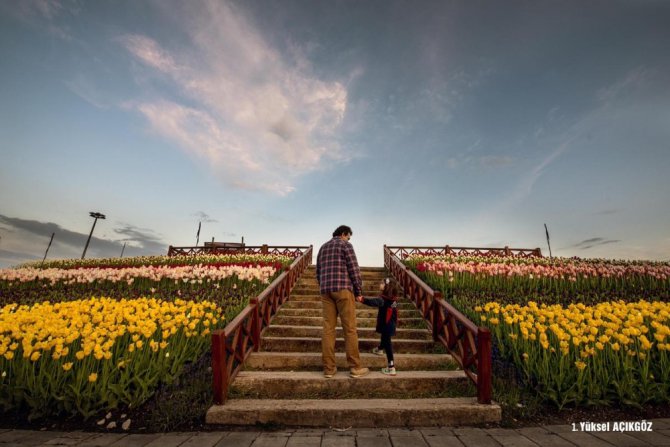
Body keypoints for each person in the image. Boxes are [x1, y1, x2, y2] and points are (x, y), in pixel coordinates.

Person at [316, 225, 369, 378]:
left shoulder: (322, 248)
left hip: (326, 291)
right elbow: (354, 269)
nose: (349, 239)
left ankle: (329, 369)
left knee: (328, 329)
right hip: (343, 289)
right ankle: (355, 367)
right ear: (344, 233)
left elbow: (318, 272)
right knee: (350, 329)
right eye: (349, 236)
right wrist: (358, 292)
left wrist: (324, 286)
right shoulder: (346, 245)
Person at [356, 277, 399, 375]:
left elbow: (373, 302)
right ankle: (379, 349)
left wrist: (362, 299)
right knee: (384, 338)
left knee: (388, 344)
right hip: (390, 324)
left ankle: (391, 367)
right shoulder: (393, 299)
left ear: (387, 287)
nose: (380, 284)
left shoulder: (383, 300)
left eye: (382, 283)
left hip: (386, 324)